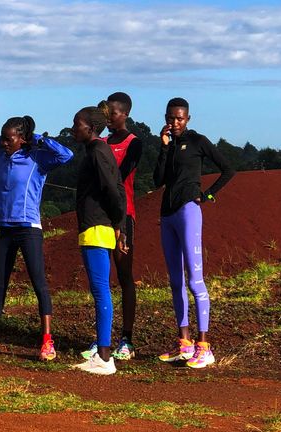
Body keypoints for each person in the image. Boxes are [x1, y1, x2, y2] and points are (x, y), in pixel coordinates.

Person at [0, 116, 73, 361]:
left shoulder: (37, 159)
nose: (3, 143)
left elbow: (66, 155)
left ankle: (47, 342)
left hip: (28, 228)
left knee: (39, 284)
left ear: (22, 139)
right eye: (2, 137)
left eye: (8, 138)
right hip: (5, 227)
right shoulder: (2, 158)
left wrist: (38, 139)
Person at [154, 97, 235, 369]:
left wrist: (208, 194)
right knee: (175, 281)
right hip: (167, 214)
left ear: (187, 118)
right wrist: (163, 148)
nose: (174, 123)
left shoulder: (198, 141)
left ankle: (204, 347)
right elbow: (158, 180)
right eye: (170, 117)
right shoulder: (170, 144)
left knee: (194, 280)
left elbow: (228, 169)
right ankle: (184, 344)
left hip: (189, 210)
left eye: (179, 118)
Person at [81, 92, 142, 362]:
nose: (109, 117)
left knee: (124, 274)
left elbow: (118, 177)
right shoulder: (100, 143)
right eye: (106, 113)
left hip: (122, 214)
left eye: (114, 113)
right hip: (102, 216)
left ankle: (126, 338)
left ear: (125, 114)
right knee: (101, 280)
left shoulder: (133, 143)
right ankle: (102, 339)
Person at [70, 102, 127, 376]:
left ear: (90, 128)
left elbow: (113, 191)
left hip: (97, 228)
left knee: (101, 291)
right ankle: (102, 353)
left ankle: (104, 357)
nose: (72, 129)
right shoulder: (98, 150)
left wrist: (119, 223)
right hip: (97, 226)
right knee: (100, 290)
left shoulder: (97, 152)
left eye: (76, 125)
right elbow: (116, 187)